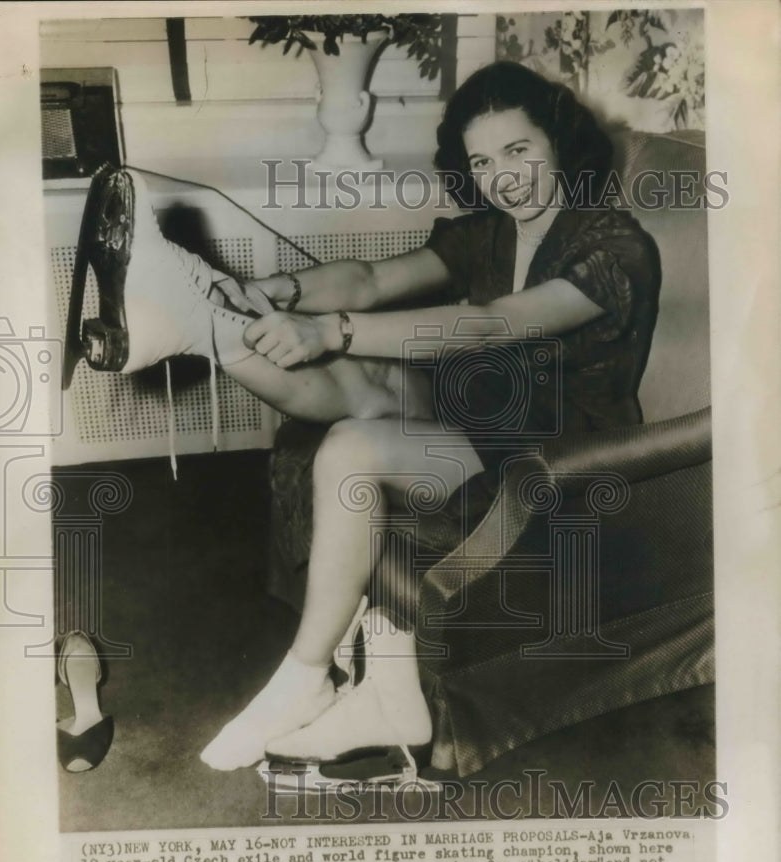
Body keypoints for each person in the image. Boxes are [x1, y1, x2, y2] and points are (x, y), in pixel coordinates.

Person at [74, 61, 660, 774]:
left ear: (559, 141)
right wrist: (270, 289)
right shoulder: (492, 230)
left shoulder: (614, 248)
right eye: (482, 162)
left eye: (519, 150)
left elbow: (493, 324)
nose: (503, 177)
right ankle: (202, 321)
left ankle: (305, 675)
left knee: (352, 447)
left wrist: (332, 331)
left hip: (559, 463)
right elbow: (371, 278)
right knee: (371, 382)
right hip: (485, 420)